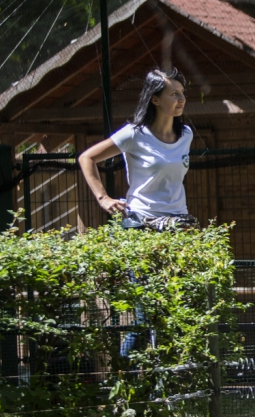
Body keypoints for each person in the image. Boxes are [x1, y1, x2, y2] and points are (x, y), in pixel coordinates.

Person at [78, 67, 196, 357]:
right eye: (174, 94)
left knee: (176, 311)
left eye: (183, 93)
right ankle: (125, 383)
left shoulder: (187, 134)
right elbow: (87, 157)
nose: (181, 99)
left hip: (178, 226)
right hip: (141, 228)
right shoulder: (134, 134)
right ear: (155, 99)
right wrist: (103, 197)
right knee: (145, 318)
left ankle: (168, 384)